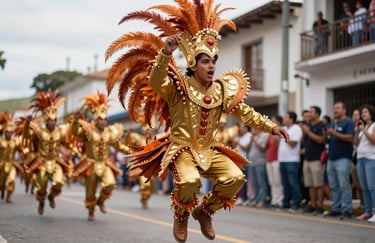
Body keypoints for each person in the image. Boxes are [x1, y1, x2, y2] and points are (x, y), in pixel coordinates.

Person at [105, 1, 289, 242]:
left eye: (214, 60)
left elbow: (245, 113)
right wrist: (165, 53)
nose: (212, 65)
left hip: (210, 150)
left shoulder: (223, 91)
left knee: (236, 178)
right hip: (182, 149)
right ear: (192, 64)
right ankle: (181, 215)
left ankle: (205, 211)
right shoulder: (178, 87)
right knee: (190, 181)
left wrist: (271, 127)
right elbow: (156, 79)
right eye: (205, 61)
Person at [71, 91, 131, 221]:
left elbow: (119, 147)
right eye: (100, 119)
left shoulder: (110, 132)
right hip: (90, 163)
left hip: (105, 163)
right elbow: (75, 132)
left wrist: (134, 151)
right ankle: (91, 211)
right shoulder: (88, 131)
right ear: (95, 119)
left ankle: (101, 201)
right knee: (90, 191)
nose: (103, 122)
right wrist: (76, 121)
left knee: (110, 184)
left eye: (105, 119)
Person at [22, 89, 70, 215]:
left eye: (54, 120)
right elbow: (27, 136)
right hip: (41, 161)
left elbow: (69, 139)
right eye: (50, 120)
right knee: (41, 186)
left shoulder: (60, 131)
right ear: (46, 120)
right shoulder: (39, 131)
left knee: (59, 182)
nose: (53, 122)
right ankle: (41, 202)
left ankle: (51, 197)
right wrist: (27, 124)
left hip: (56, 161)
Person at [324, 102, 355, 219]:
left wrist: (334, 133)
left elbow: (350, 137)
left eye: (338, 108)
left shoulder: (348, 122)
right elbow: (328, 141)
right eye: (334, 108)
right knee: (334, 185)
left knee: (344, 185)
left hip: (343, 158)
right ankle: (336, 208)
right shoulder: (332, 123)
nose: (335, 110)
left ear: (344, 110)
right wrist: (326, 135)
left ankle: (347, 209)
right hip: (331, 158)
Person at [300, 106, 326, 214]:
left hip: (317, 159)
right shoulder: (308, 125)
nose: (309, 114)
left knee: (318, 184)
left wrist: (308, 132)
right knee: (309, 184)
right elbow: (304, 141)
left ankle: (320, 205)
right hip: (307, 158)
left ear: (317, 114)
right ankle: (313, 204)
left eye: (311, 112)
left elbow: (321, 140)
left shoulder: (322, 125)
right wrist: (304, 132)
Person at [353, 105, 375, 222]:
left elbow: (373, 140)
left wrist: (364, 130)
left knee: (372, 187)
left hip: (371, 159)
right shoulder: (363, 127)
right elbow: (356, 144)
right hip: (360, 159)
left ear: (371, 113)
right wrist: (357, 132)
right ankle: (368, 212)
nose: (363, 114)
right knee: (364, 187)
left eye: (365, 112)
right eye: (362, 112)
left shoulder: (374, 126)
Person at [279, 111, 303, 213]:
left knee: (293, 183)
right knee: (285, 183)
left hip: (292, 160)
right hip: (282, 160)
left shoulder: (296, 129)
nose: (284, 119)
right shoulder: (285, 129)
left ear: (291, 119)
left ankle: (296, 204)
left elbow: (293, 143)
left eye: (286, 117)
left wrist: (284, 136)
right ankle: (286, 203)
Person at [0, 112, 24, 203]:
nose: (9, 134)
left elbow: (21, 150)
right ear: (5, 132)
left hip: (12, 164)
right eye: (7, 132)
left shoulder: (15, 141)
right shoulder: (1, 141)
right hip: (1, 164)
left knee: (12, 180)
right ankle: (2, 189)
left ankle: (9, 196)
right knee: (1, 183)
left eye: (11, 132)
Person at [247, 127, 269, 208]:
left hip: (260, 162)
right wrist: (251, 140)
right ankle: (256, 199)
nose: (253, 129)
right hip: (252, 163)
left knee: (261, 182)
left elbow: (263, 148)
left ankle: (262, 200)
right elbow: (248, 148)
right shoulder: (253, 136)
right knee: (254, 183)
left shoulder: (264, 136)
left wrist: (255, 141)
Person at [265, 115, 283, 209]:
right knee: (271, 182)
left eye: (274, 121)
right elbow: (266, 146)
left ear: (279, 123)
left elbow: (279, 147)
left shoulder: (280, 132)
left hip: (276, 159)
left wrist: (277, 140)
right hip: (269, 159)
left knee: (277, 181)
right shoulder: (271, 133)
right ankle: (274, 199)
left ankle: (279, 200)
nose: (271, 122)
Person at [232, 123, 251, 206]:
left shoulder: (249, 135)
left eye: (242, 127)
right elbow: (233, 146)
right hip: (237, 161)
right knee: (237, 180)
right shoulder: (239, 136)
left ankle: (244, 197)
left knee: (243, 180)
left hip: (244, 161)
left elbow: (246, 148)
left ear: (246, 128)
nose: (240, 129)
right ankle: (237, 196)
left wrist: (238, 142)